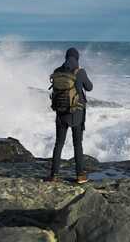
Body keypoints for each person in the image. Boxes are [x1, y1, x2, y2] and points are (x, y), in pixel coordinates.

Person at [47, 47, 93, 183]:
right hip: (76, 114)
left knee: (58, 144)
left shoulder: (57, 71)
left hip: (60, 113)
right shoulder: (80, 72)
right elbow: (89, 87)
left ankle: (53, 175)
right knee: (77, 144)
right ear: (77, 58)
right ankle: (80, 175)